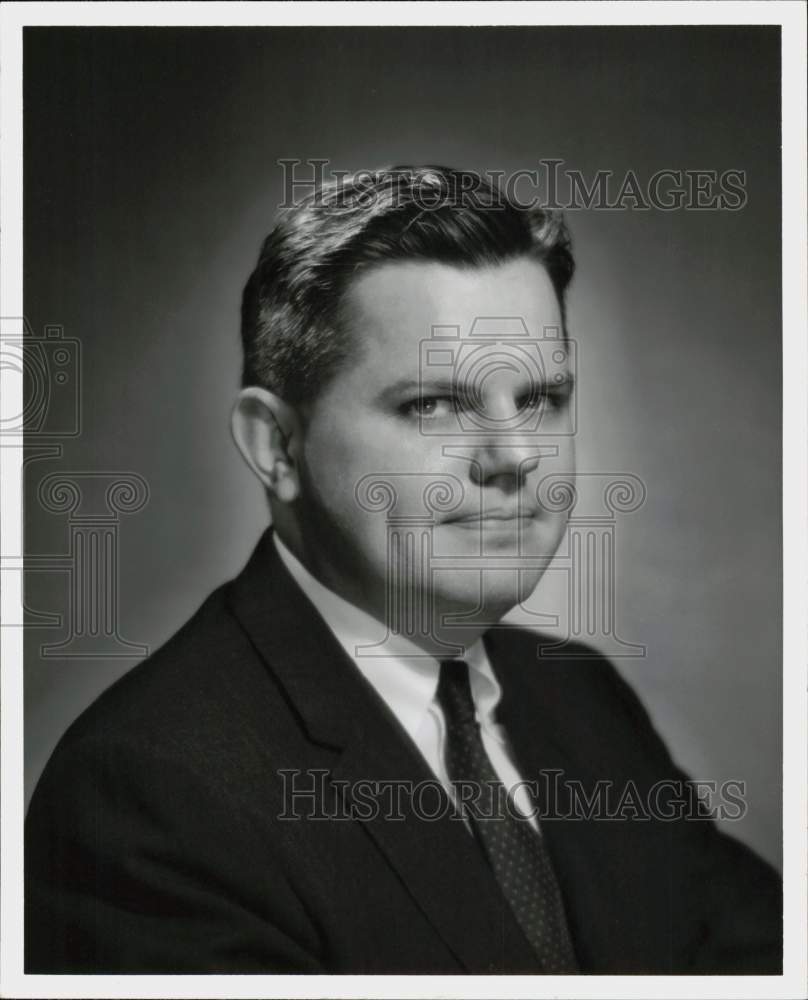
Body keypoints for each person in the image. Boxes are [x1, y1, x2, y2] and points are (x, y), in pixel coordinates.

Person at [25, 166, 781, 974]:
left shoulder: (580, 698)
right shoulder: (148, 795)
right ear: (277, 446)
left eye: (541, 398)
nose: (516, 456)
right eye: (434, 404)